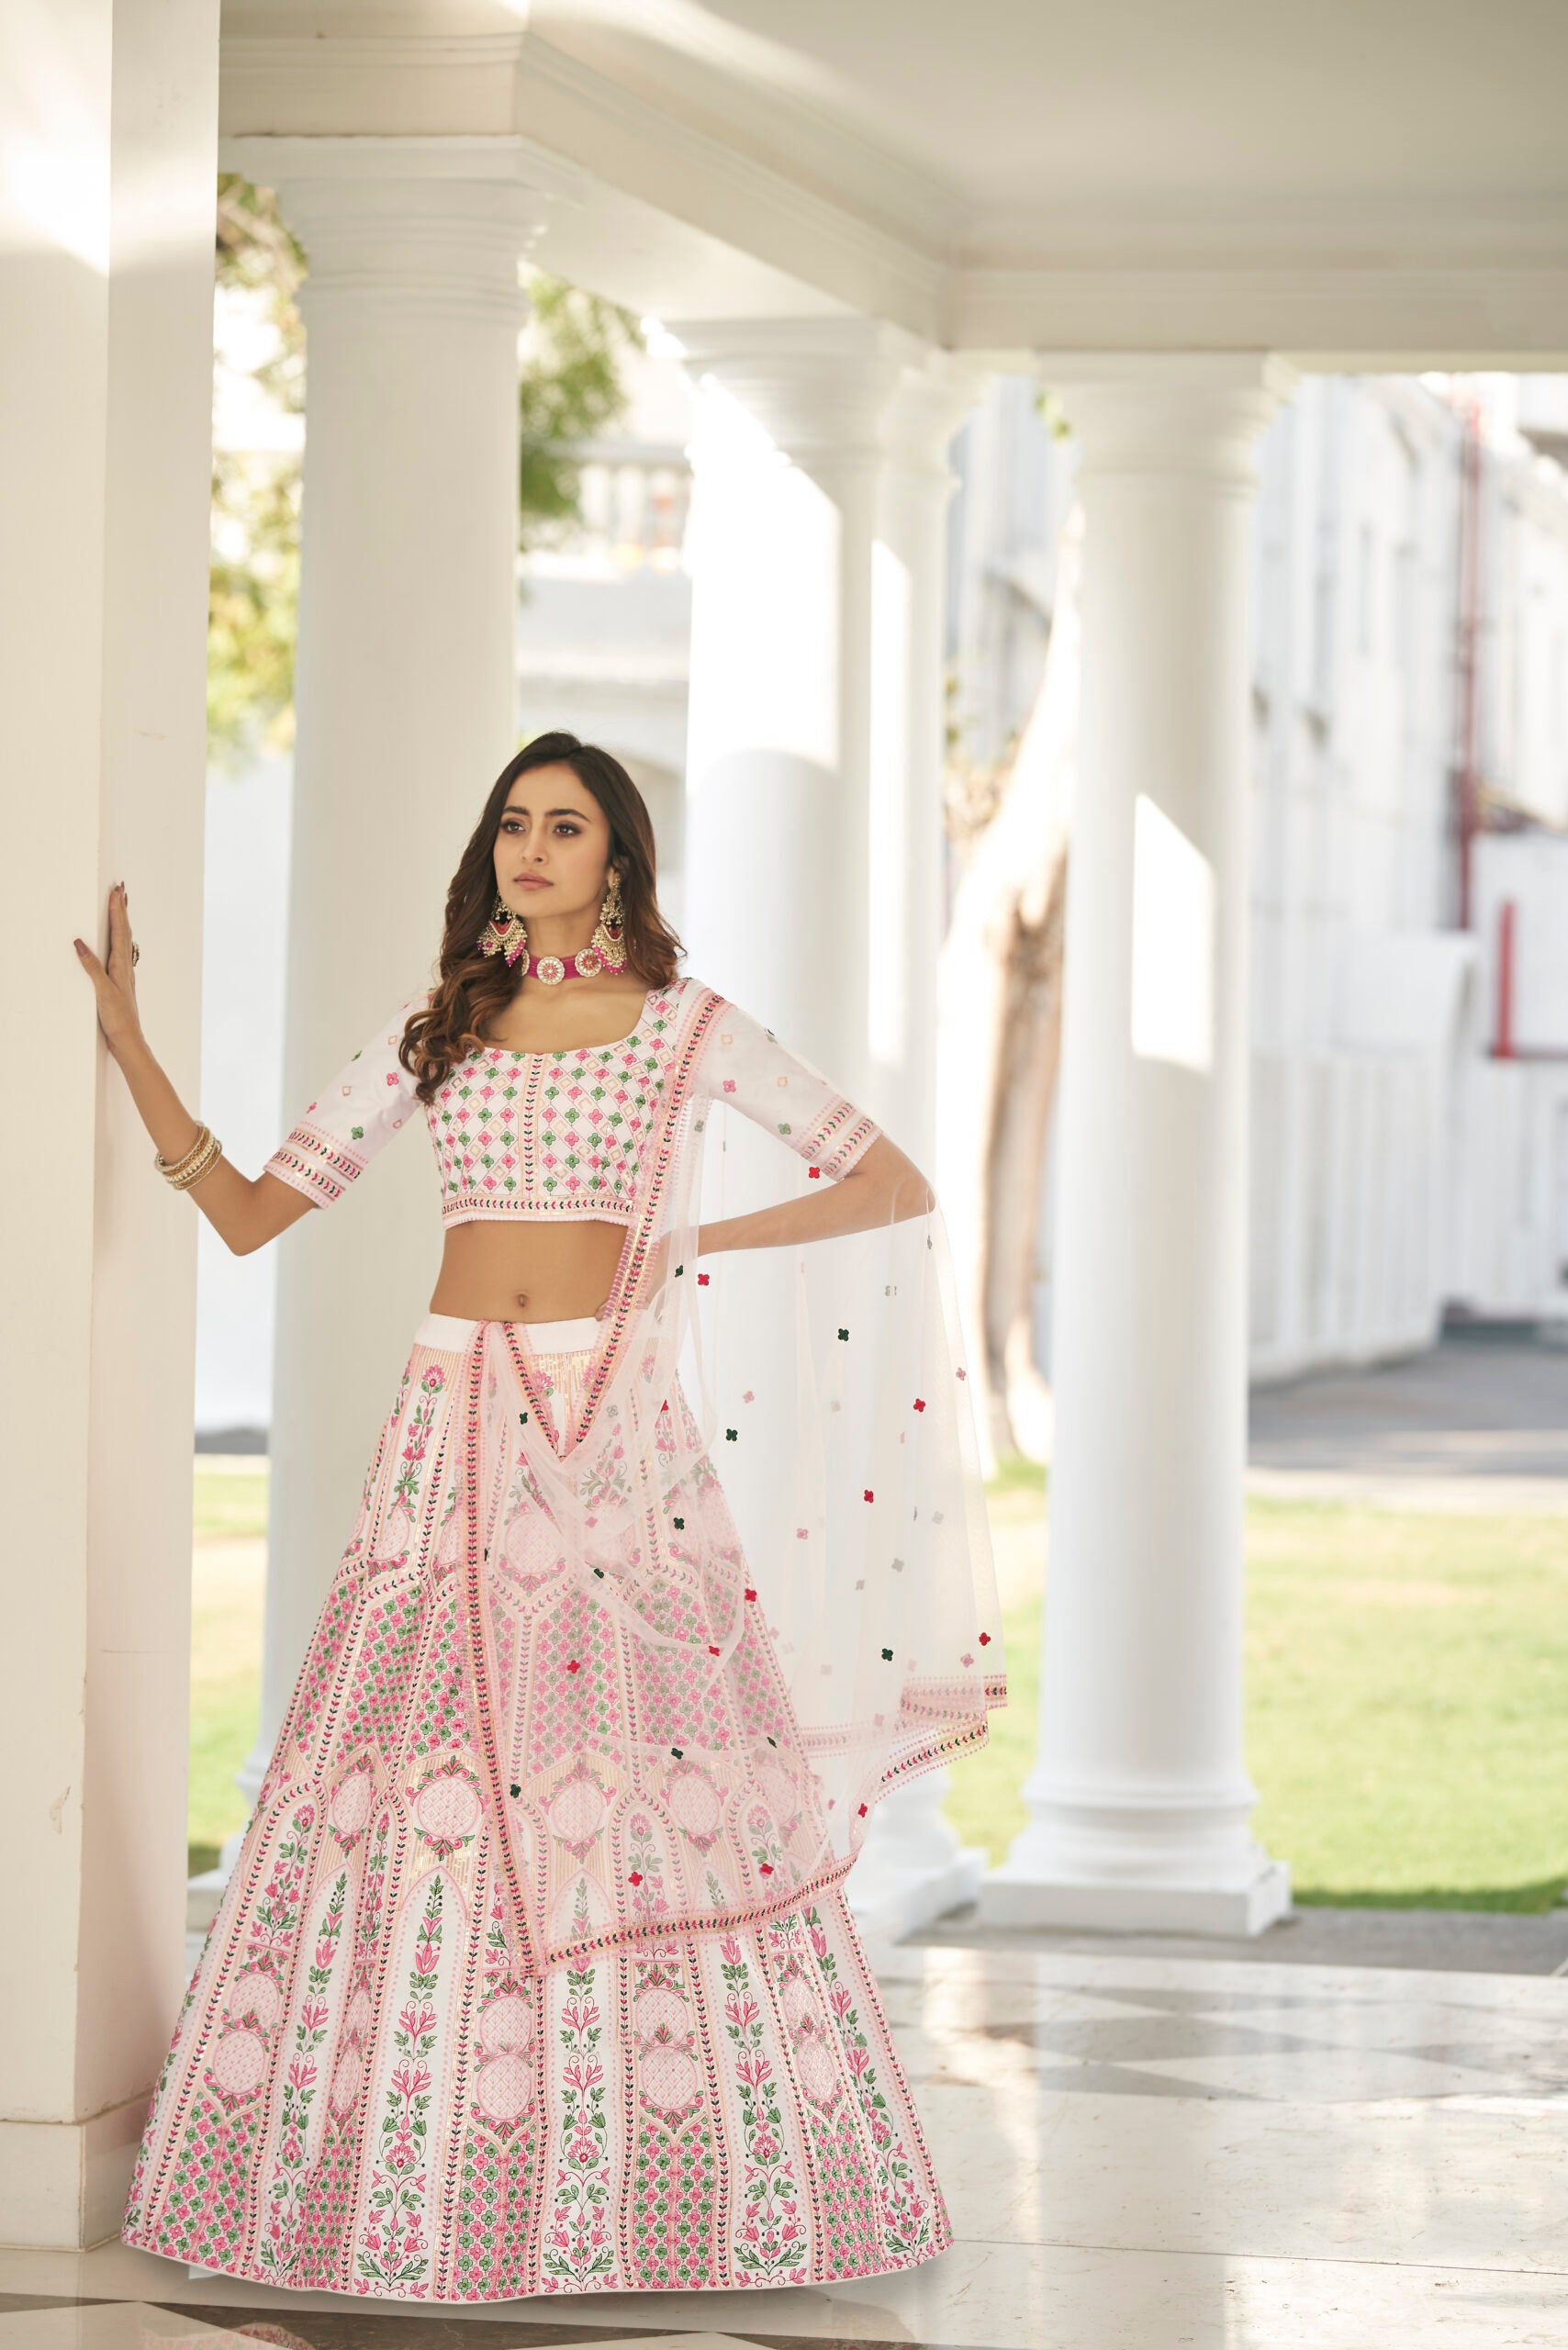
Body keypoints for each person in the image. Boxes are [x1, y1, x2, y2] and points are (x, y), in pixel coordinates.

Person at [79, 731, 1003, 2301]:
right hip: (448, 1421)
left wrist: (689, 1241)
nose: (530, 849)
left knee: (637, 1782)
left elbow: (886, 1180)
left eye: (564, 827)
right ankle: (420, 2173)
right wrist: (130, 1042)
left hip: (610, 1434)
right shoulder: (442, 1029)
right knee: (414, 1771)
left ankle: (663, 2180)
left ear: (619, 861)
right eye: (513, 823)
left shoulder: (684, 1025)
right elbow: (248, 1218)